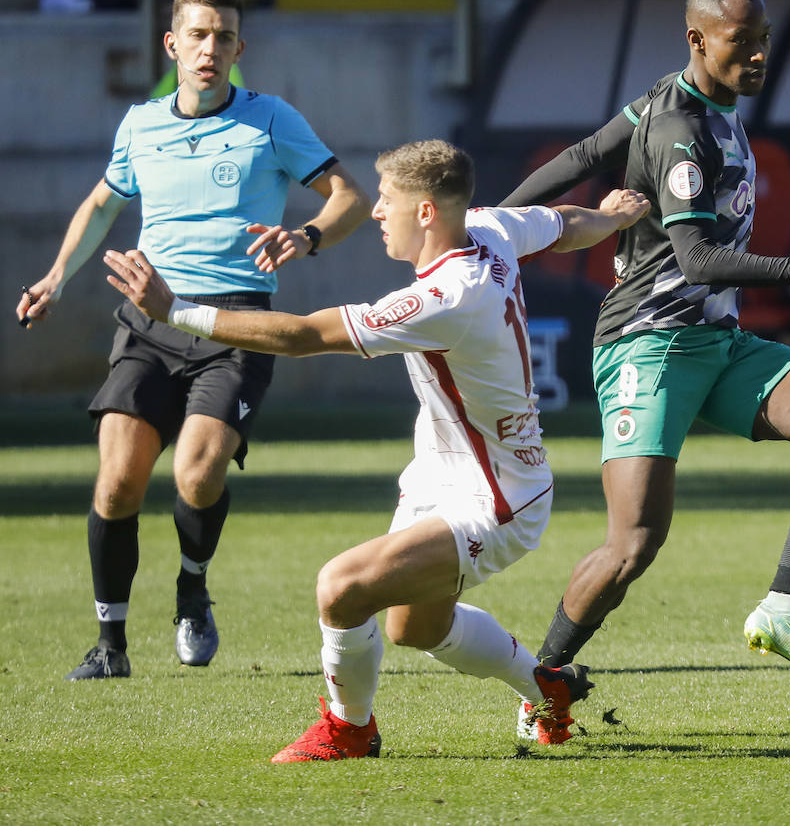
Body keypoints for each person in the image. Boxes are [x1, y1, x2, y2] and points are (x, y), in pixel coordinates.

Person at [103, 140, 652, 757]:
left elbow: (304, 335)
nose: (376, 213)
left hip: (497, 499)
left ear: (425, 213)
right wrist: (614, 217)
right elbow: (565, 224)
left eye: (387, 200)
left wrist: (175, 311)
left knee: (341, 587)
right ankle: (543, 688)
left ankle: (350, 729)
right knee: (415, 627)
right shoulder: (489, 227)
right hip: (445, 477)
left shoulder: (447, 296)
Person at [501, 0, 790, 709]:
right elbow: (696, 259)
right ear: (697, 39)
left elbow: (586, 153)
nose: (757, 55)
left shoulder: (682, 95)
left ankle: (786, 605)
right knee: (633, 546)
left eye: (763, 41)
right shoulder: (680, 128)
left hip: (714, 340)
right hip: (647, 346)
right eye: (740, 42)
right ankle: (543, 686)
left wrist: (493, 222)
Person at [15, 0, 371, 681]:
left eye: (224, 37)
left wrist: (304, 235)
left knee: (196, 474)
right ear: (172, 45)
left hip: (237, 321)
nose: (211, 49)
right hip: (149, 320)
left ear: (240, 48)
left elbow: (350, 197)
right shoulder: (140, 124)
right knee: (117, 483)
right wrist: (57, 276)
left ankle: (192, 587)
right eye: (198, 35)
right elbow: (100, 202)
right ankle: (110, 647)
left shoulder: (270, 120)